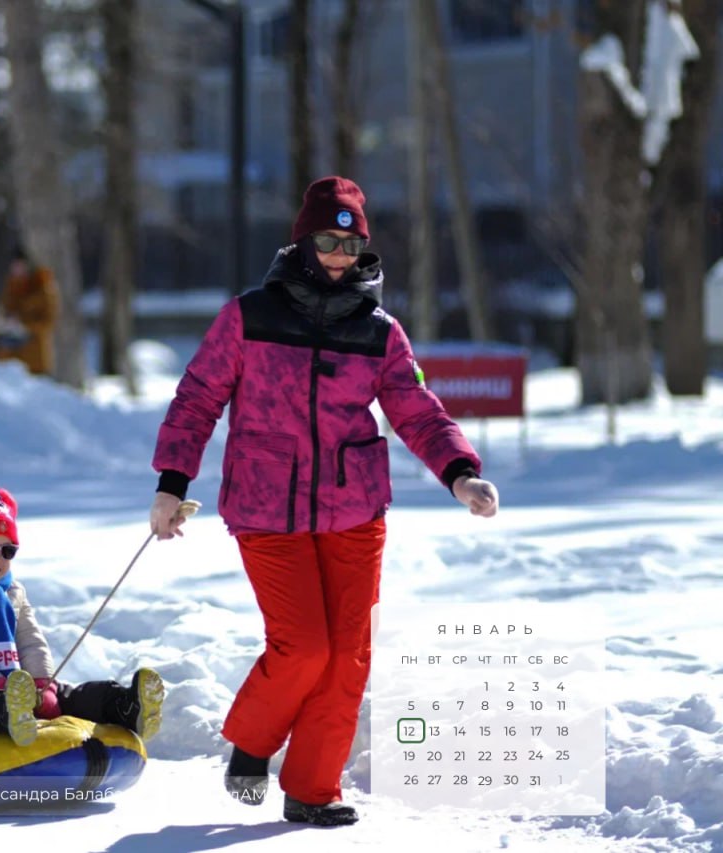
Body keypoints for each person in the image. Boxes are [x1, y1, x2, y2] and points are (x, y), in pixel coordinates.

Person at [147, 176, 500, 827]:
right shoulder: (249, 315)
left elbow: (416, 408)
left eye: (351, 241)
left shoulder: (378, 331)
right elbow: (197, 397)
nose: (340, 253)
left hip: (355, 509)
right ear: (302, 240)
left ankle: (313, 785)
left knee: (348, 653)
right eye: (328, 239)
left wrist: (459, 472)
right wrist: (173, 481)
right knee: (304, 645)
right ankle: (252, 740)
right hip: (265, 506)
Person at [0, 482, 163, 747]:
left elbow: (31, 640)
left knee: (65, 695)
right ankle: (8, 714)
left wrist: (43, 683)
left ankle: (125, 705)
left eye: (7, 551)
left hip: (13, 687)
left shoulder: (12, 591)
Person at [0, 244, 59, 376]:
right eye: (14, 266)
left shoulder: (42, 288)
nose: (17, 270)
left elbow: (48, 322)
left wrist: (23, 324)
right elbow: (4, 312)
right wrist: (2, 323)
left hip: (34, 359)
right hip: (9, 357)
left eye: (20, 266)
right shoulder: (10, 287)